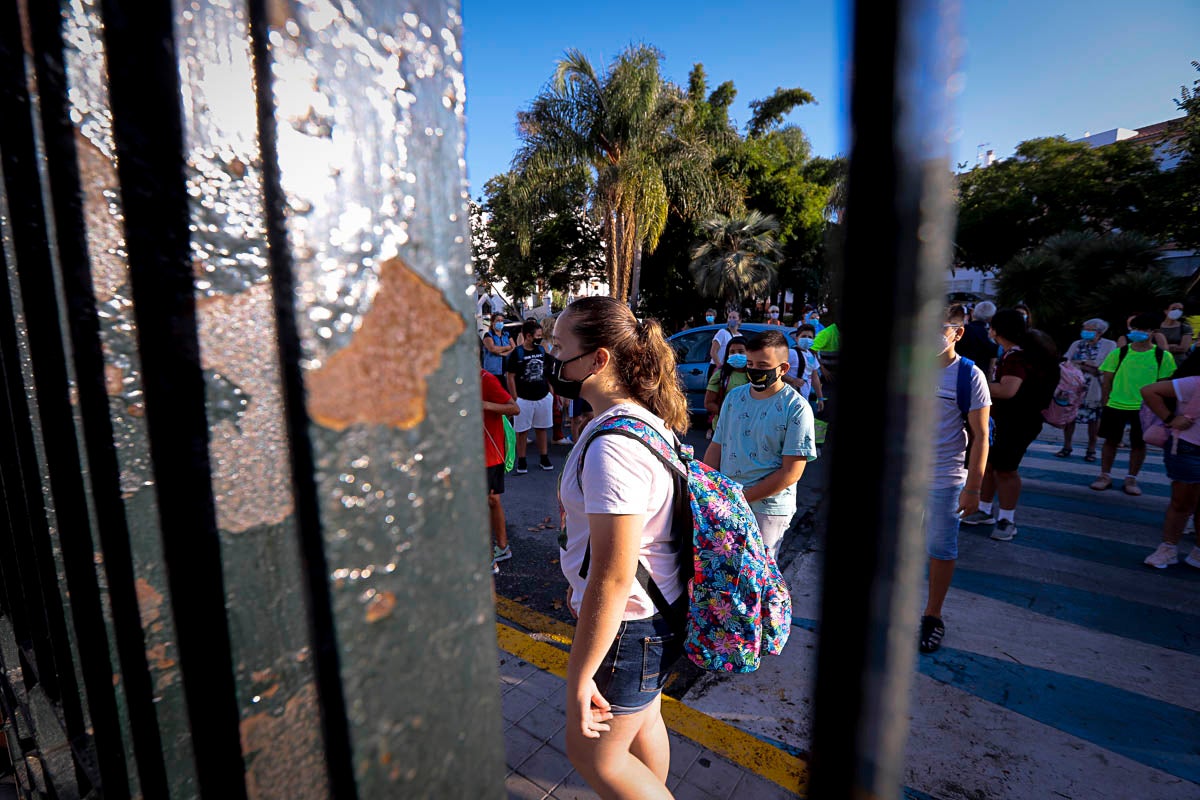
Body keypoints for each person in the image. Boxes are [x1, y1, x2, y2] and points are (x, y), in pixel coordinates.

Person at [548, 296, 689, 798]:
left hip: (629, 627)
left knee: (596, 757)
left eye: (560, 347)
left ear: (599, 359)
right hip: (658, 615)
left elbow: (613, 574)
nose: (551, 357)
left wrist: (581, 674)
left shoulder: (613, 446)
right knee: (645, 723)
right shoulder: (641, 419)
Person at [703, 330, 818, 559]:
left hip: (769, 510)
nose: (754, 370)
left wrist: (743, 496)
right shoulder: (734, 398)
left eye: (763, 365)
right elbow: (717, 446)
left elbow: (792, 471)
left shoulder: (796, 408)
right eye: (750, 363)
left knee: (759, 577)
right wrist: (707, 490)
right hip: (727, 503)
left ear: (783, 369)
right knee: (725, 571)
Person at [920, 305, 990, 654]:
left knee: (941, 549)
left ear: (957, 333)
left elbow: (981, 436)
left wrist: (974, 488)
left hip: (945, 479)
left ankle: (932, 615)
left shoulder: (968, 376)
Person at [960, 309, 1059, 541]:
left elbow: (1008, 390)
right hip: (1009, 419)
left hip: (1016, 421)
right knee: (991, 465)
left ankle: (1007, 519)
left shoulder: (1016, 357)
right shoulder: (1024, 351)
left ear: (995, 330)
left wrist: (976, 382)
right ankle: (984, 511)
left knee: (1005, 470)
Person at [1089, 311, 1177, 495]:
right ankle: (1104, 475)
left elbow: (1163, 385)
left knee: (1139, 444)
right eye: (1135, 328)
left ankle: (1132, 478)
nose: (1137, 332)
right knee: (1110, 441)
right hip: (1116, 404)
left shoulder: (1163, 357)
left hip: (1145, 408)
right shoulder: (1119, 353)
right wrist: (1106, 402)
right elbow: (1107, 380)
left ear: (1153, 332)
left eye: (1143, 329)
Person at [1139, 357, 1200, 570]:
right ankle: (1168, 549)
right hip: (1188, 447)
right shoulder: (1194, 383)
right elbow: (1149, 391)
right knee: (1182, 503)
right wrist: (1170, 419)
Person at [1059, 319, 1117, 461]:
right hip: (1074, 387)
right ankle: (1066, 446)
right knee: (1069, 417)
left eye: (1090, 329)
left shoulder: (1110, 345)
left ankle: (1091, 449)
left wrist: (1081, 363)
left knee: (1094, 419)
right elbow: (1066, 361)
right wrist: (1087, 365)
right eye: (1085, 328)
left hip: (1095, 387)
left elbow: (1104, 366)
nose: (1086, 331)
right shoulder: (1077, 344)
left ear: (1100, 332)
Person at [481, 369, 520, 571]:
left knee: (488, 503)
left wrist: (484, 405)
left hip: (489, 454)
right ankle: (501, 548)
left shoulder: (486, 380)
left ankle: (490, 557)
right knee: (489, 502)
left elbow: (514, 408)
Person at [507, 319, 554, 474]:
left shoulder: (541, 351)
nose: (540, 338)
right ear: (528, 336)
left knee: (542, 428)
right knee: (522, 431)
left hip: (542, 396)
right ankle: (522, 460)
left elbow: (547, 373)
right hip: (524, 398)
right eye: (538, 335)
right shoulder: (517, 353)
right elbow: (511, 376)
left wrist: (551, 392)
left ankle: (544, 457)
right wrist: (514, 397)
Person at [703, 336, 749, 434]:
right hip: (724, 428)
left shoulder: (755, 375)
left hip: (748, 428)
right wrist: (731, 414)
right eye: (732, 352)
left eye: (741, 352)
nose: (736, 355)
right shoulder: (721, 375)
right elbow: (709, 403)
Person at [785, 324, 825, 414]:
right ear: (797, 338)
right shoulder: (790, 353)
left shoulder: (812, 355)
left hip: (804, 398)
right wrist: (792, 380)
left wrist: (820, 398)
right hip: (788, 398)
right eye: (803, 336)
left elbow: (815, 377)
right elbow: (776, 371)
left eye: (810, 337)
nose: (807, 339)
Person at [957, 301, 1000, 378]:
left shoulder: (962, 330)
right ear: (991, 318)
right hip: (980, 377)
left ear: (973, 313)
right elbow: (991, 365)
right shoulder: (991, 335)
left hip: (959, 373)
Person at [1157, 300, 1193, 366]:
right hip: (1160, 362)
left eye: (1180, 309)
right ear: (1166, 311)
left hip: (1179, 362)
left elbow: (1184, 348)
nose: (1177, 311)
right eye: (1173, 309)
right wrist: (1173, 346)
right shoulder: (1156, 327)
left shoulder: (1185, 327)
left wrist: (1164, 347)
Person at [707, 311, 741, 379]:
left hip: (731, 369)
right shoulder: (722, 332)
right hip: (718, 367)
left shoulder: (740, 336)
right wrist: (720, 367)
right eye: (729, 317)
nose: (731, 319)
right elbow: (713, 352)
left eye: (734, 317)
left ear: (739, 321)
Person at [482, 313, 514, 382]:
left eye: (501, 321)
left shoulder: (506, 335)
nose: (500, 322)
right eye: (498, 320)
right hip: (492, 371)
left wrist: (505, 353)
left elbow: (514, 347)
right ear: (493, 322)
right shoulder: (488, 335)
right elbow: (492, 349)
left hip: (505, 370)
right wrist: (508, 347)